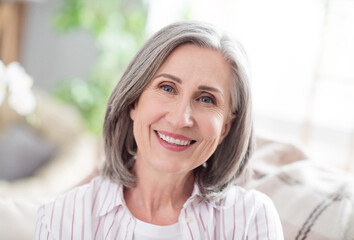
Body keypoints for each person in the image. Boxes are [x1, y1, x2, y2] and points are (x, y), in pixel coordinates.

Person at [35, 21, 283, 239]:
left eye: (206, 99)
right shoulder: (60, 218)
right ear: (133, 101)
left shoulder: (251, 219)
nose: (179, 119)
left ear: (226, 128)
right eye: (167, 88)